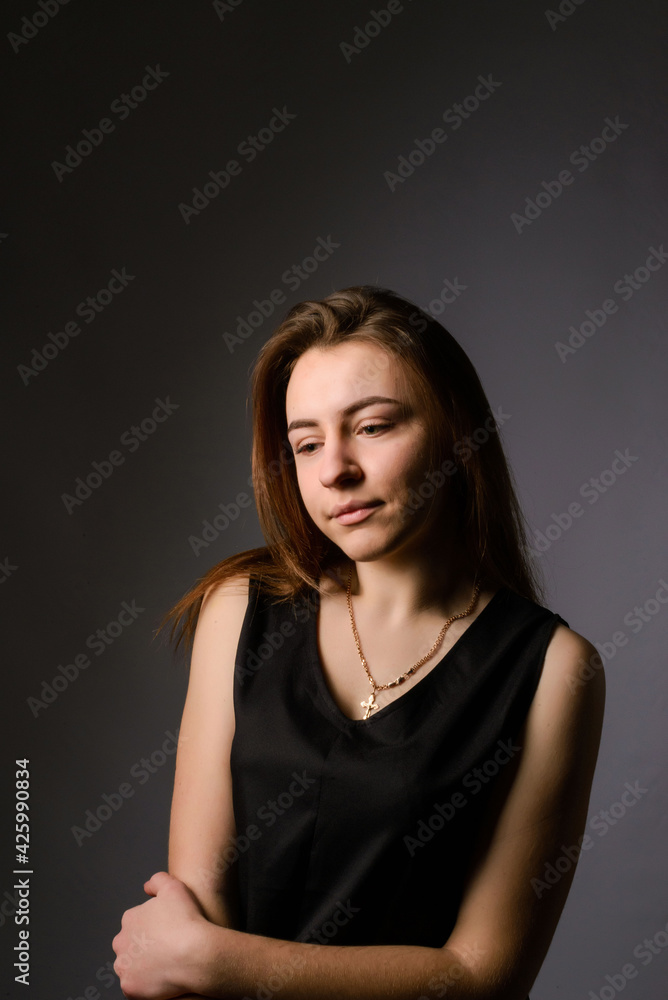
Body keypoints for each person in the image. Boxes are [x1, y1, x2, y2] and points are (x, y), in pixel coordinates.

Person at [112, 285, 605, 1000]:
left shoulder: (554, 669)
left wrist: (222, 966)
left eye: (372, 427)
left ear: (456, 432)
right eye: (306, 443)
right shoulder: (240, 607)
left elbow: (481, 978)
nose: (333, 469)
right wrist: (197, 957)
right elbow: (194, 910)